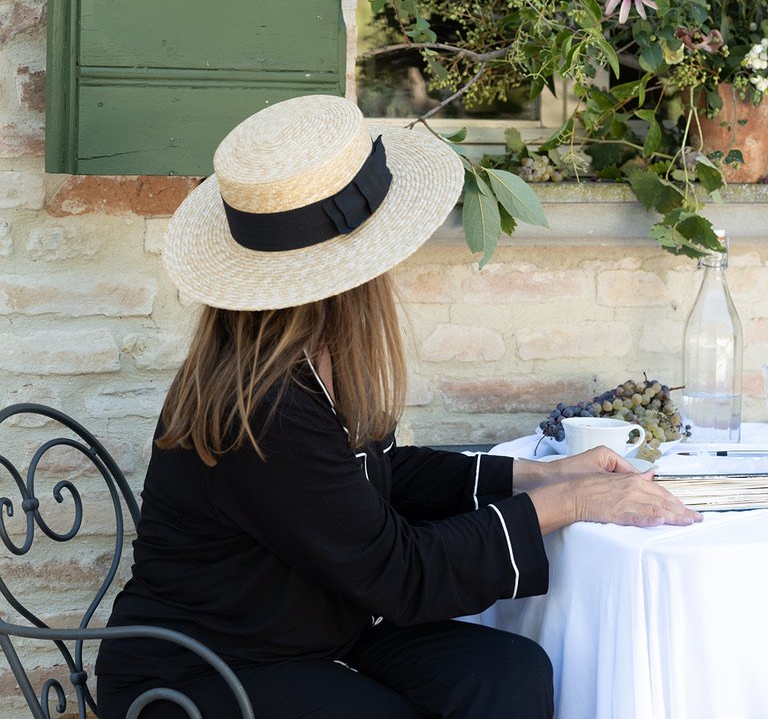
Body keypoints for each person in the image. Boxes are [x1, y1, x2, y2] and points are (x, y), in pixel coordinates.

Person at [95, 95, 701, 719]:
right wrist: (565, 503)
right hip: (203, 670)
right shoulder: (267, 404)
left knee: (507, 674)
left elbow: (376, 478)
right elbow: (399, 575)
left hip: (312, 630)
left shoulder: (316, 355)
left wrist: (538, 475)